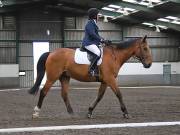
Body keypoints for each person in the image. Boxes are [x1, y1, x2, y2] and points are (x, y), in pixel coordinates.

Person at [82, 8, 109, 76]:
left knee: (101, 51)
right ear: (94, 16)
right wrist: (101, 40)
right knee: (97, 52)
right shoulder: (90, 23)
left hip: (92, 43)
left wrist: (104, 40)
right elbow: (92, 34)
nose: (99, 16)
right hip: (88, 43)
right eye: (98, 15)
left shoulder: (93, 23)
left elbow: (97, 35)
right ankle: (91, 70)